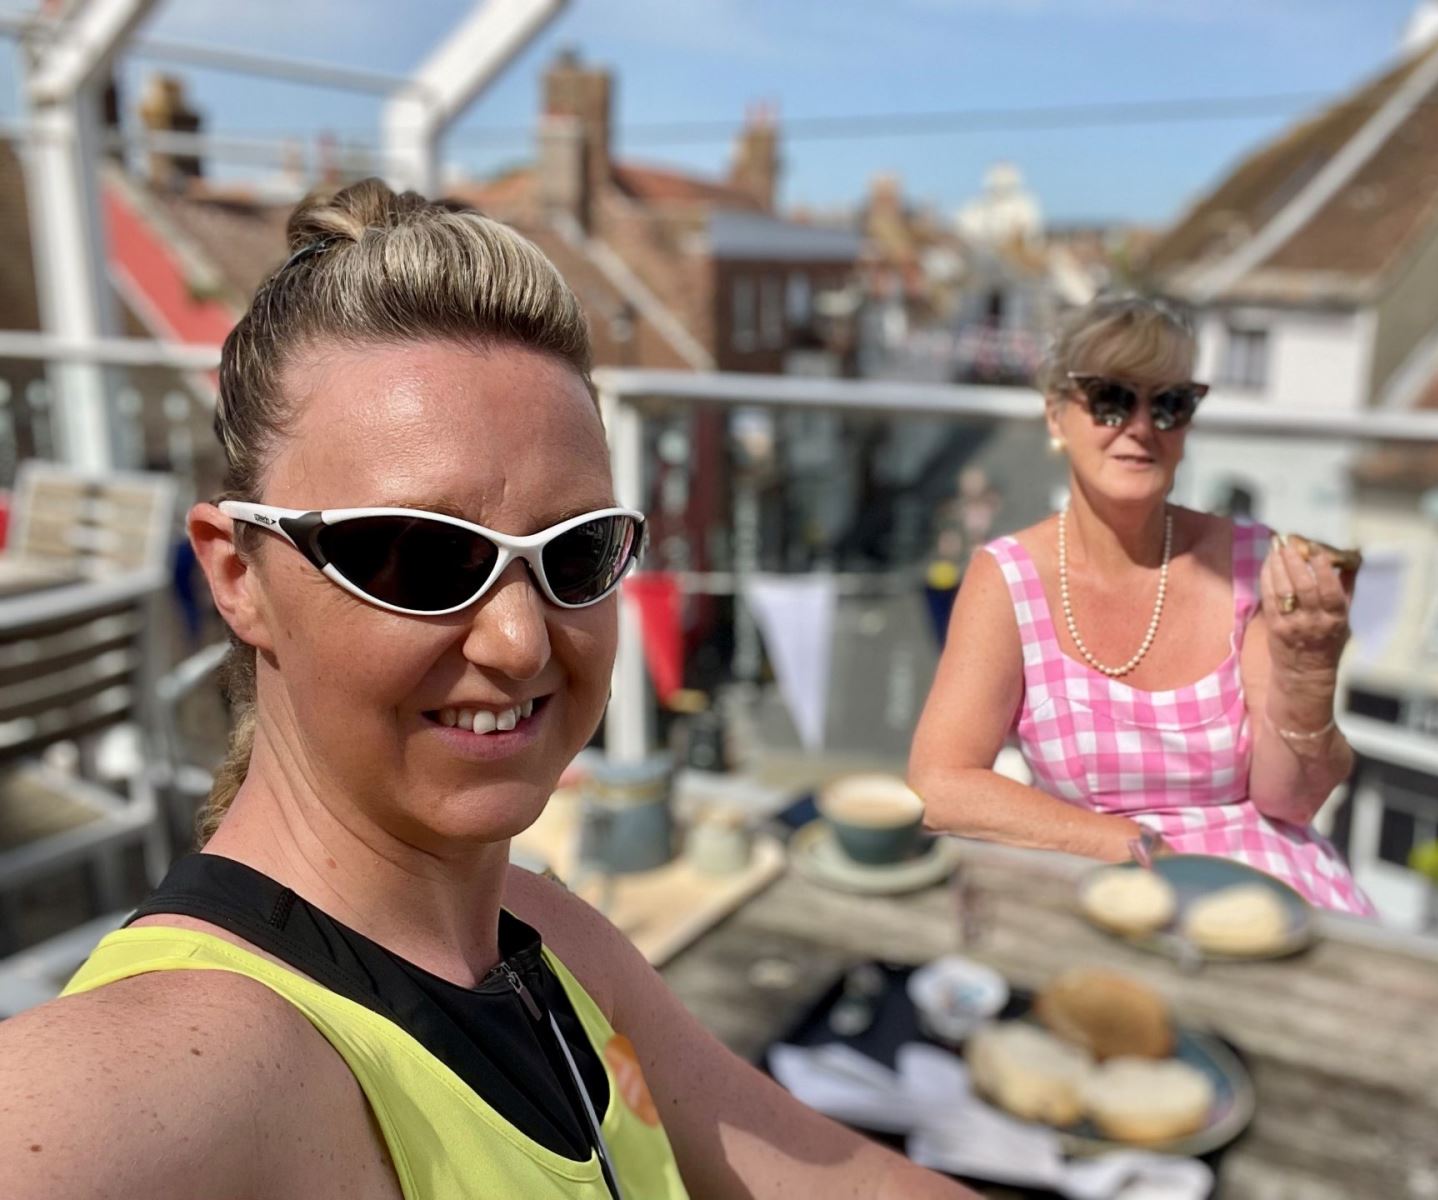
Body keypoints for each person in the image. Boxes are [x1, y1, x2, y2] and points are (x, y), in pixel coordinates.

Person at [1, 180, 976, 1200]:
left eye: (578, 552)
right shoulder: (205, 1062)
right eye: (419, 557)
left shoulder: (550, 941)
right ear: (237, 574)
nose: (518, 641)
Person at [908, 295, 1373, 915]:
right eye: (1111, 398)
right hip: (1105, 883)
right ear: (1055, 416)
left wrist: (1309, 670)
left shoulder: (1250, 559)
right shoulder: (1009, 578)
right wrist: (1136, 847)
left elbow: (1290, 801)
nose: (1142, 425)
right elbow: (942, 785)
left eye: (1170, 404)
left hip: (1267, 890)